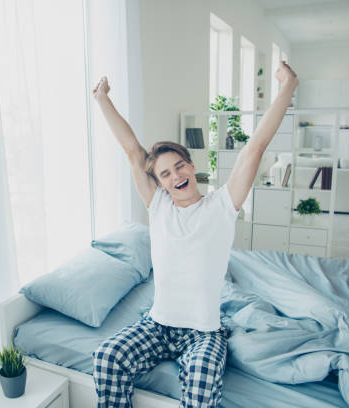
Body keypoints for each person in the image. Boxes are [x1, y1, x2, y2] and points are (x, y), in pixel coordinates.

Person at [91, 61, 298, 408]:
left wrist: (287, 88)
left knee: (202, 383)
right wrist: (101, 100)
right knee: (106, 357)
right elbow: (132, 150)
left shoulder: (222, 206)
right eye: (166, 173)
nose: (175, 176)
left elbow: (255, 148)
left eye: (180, 166)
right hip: (156, 325)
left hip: (203, 333)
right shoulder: (158, 206)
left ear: (191, 165)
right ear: (160, 182)